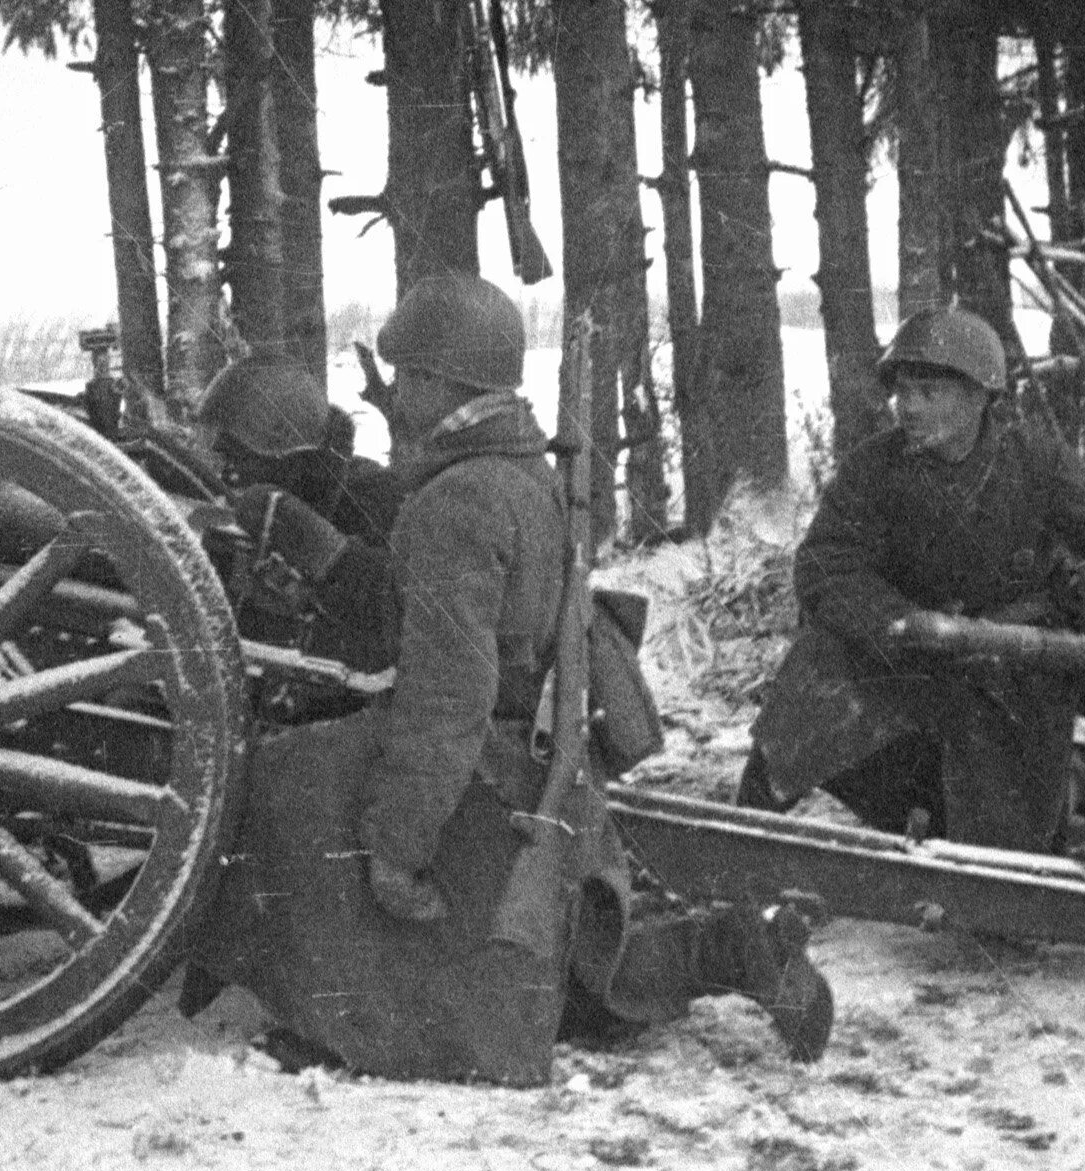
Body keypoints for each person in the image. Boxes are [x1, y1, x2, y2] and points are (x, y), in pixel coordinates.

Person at [188, 274, 832, 1083]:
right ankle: (739, 947)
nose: (395, 391)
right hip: (524, 762)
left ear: (440, 384)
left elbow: (446, 695)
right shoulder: (507, 471)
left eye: (408, 375)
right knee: (573, 971)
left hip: (487, 774)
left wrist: (398, 845)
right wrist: (325, 550)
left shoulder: (461, 498)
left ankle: (339, 1019)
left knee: (283, 788)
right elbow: (420, 604)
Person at [739, 304, 1085, 854]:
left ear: (977, 397)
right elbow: (826, 565)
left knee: (1003, 854)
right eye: (902, 391)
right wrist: (898, 622)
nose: (909, 407)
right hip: (911, 656)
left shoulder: (1034, 460)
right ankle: (743, 835)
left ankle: (1072, 790)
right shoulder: (875, 467)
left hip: (1012, 671)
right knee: (818, 673)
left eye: (928, 392)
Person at [193, 353, 402, 673]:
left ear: (282, 453)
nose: (228, 475)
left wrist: (331, 558)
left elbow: (409, 618)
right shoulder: (275, 510)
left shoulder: (373, 498)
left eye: (237, 457)